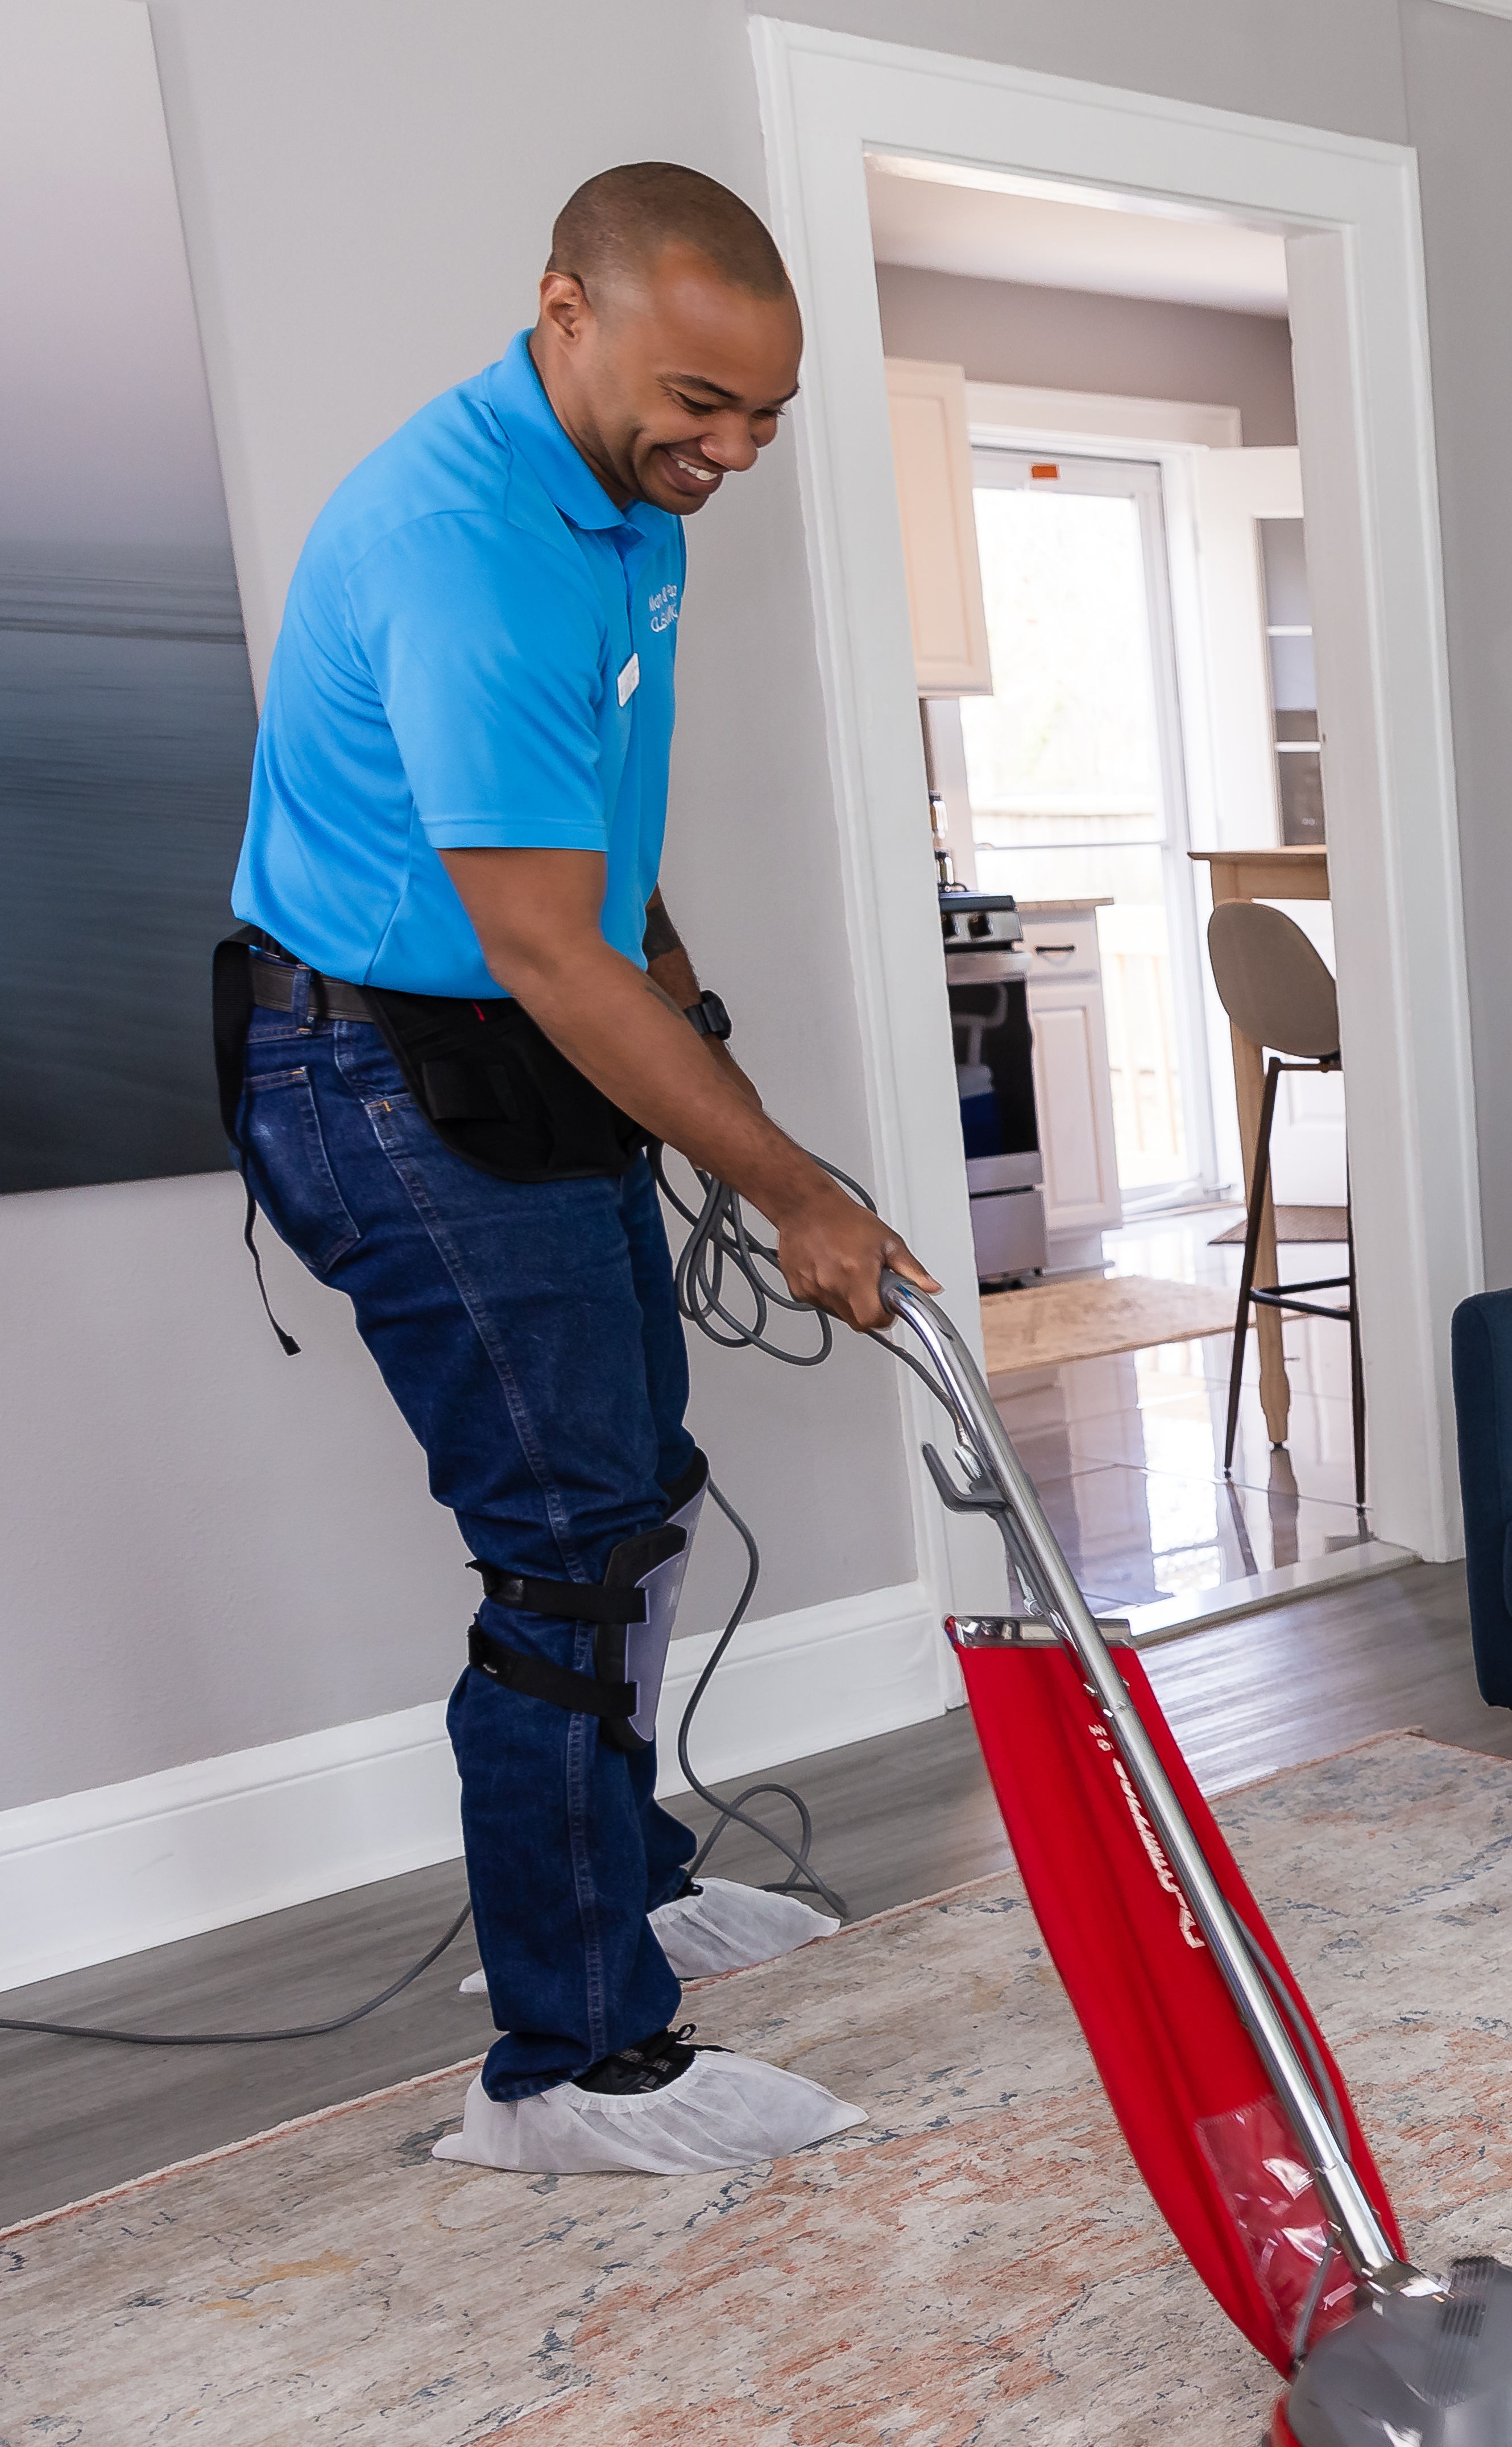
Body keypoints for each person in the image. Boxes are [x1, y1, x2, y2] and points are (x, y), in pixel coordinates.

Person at [221, 164, 933, 2177]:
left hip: (523, 1044)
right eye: (698, 401)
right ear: (565, 310)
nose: (728, 450)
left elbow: (596, 835)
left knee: (637, 1490)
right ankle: (570, 2062)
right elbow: (536, 937)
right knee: (568, 1558)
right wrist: (797, 1192)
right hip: (384, 1073)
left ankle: (616, 1883)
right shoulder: (466, 543)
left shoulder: (624, 506)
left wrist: (693, 1045)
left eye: (762, 418)